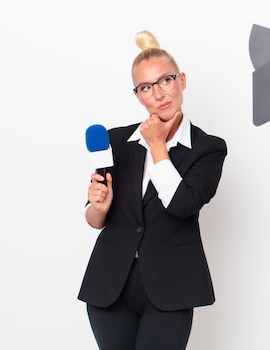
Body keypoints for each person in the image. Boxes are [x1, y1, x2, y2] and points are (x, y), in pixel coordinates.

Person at [78, 30, 227, 350]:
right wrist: (98, 208)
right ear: (138, 95)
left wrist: (158, 144)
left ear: (181, 80)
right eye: (146, 87)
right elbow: (94, 218)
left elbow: (182, 204)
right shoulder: (115, 141)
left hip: (171, 288)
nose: (159, 94)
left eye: (166, 81)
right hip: (111, 287)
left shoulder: (208, 148)